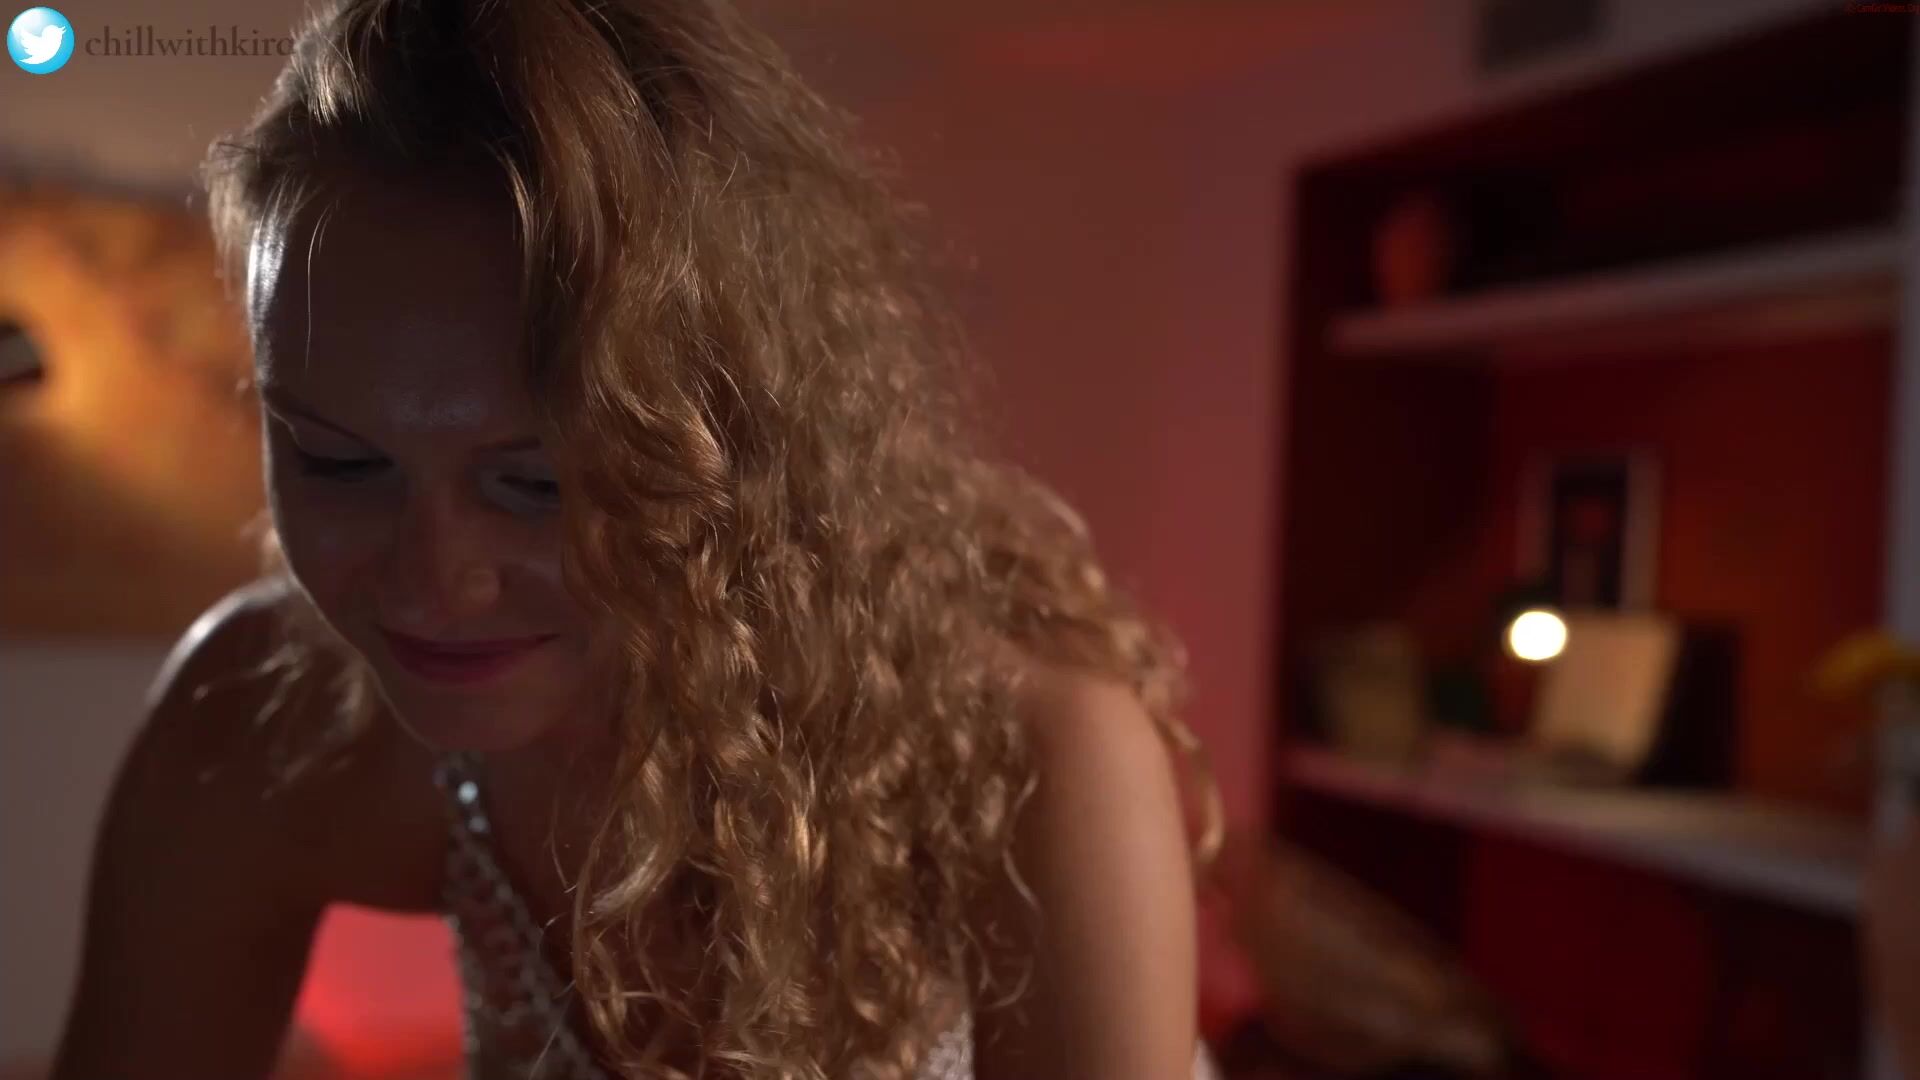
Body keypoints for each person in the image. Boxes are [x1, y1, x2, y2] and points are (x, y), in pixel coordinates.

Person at [49, 1, 1223, 1078]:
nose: (434, 579)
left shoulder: (1025, 761)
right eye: (340, 462)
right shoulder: (264, 716)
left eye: (535, 483)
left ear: (738, 443)